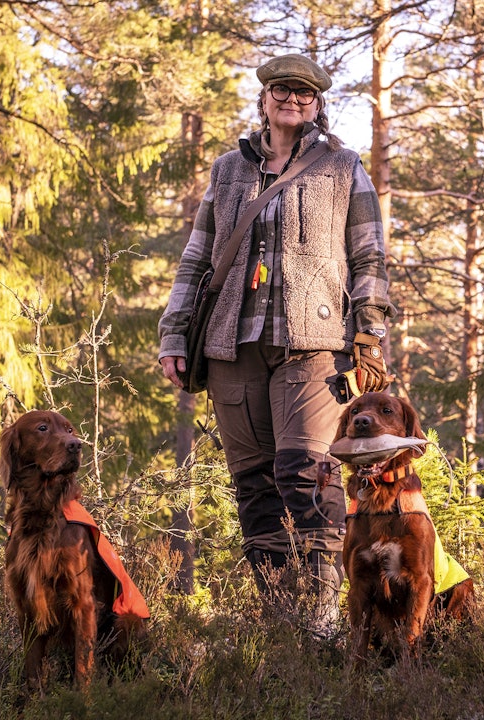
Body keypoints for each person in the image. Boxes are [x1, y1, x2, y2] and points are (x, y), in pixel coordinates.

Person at [157, 53, 396, 634]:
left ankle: (320, 620)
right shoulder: (228, 171)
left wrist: (368, 332)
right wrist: (173, 330)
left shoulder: (342, 167)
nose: (292, 99)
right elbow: (197, 257)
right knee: (255, 484)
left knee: (305, 471)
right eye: (281, 90)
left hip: (315, 345)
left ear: (317, 103)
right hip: (232, 347)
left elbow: (368, 253)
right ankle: (278, 621)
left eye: (304, 93)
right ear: (263, 98)